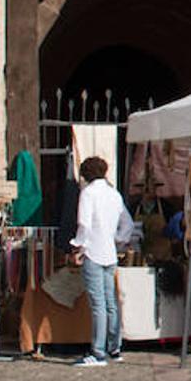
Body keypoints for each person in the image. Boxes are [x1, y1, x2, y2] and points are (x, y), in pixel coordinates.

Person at [69, 155, 134, 367]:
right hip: (109, 252)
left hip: (93, 252)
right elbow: (125, 224)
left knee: (98, 305)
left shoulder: (88, 194)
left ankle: (97, 352)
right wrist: (116, 241)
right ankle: (114, 347)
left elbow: (84, 224)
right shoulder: (114, 194)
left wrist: (78, 246)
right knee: (111, 303)